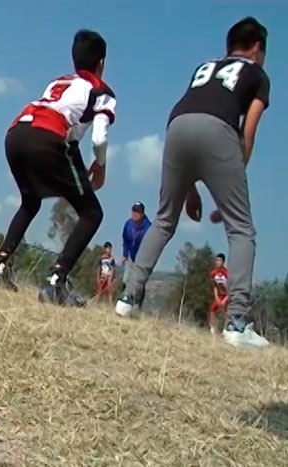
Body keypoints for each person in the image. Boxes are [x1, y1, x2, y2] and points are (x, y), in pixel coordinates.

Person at [116, 17, 270, 349]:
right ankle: (238, 322)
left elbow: (194, 118)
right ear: (257, 48)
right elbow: (247, 132)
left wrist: (191, 188)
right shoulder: (257, 75)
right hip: (219, 131)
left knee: (163, 220)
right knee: (241, 229)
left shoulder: (205, 67)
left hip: (177, 125)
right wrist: (230, 189)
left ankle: (128, 296)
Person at [0, 30, 116, 303]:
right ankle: (56, 279)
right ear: (101, 62)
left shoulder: (59, 81)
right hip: (49, 135)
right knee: (92, 213)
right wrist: (100, 165)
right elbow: (99, 136)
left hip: (17, 130)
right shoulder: (101, 90)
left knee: (30, 202)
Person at [122, 202, 151, 287]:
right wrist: (125, 254)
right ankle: (123, 296)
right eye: (134, 211)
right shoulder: (128, 224)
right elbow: (125, 239)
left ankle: (136, 299)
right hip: (131, 255)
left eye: (138, 212)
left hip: (142, 257)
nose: (135, 214)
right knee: (125, 279)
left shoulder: (148, 227)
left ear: (142, 213)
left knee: (138, 281)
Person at [209, 253, 230, 335]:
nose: (217, 262)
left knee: (227, 312)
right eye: (216, 260)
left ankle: (225, 330)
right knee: (212, 309)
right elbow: (214, 286)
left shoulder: (227, 273)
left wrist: (226, 299)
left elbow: (230, 288)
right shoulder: (213, 273)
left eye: (219, 260)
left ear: (223, 262)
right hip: (219, 295)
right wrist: (216, 297)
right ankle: (213, 329)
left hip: (227, 296)